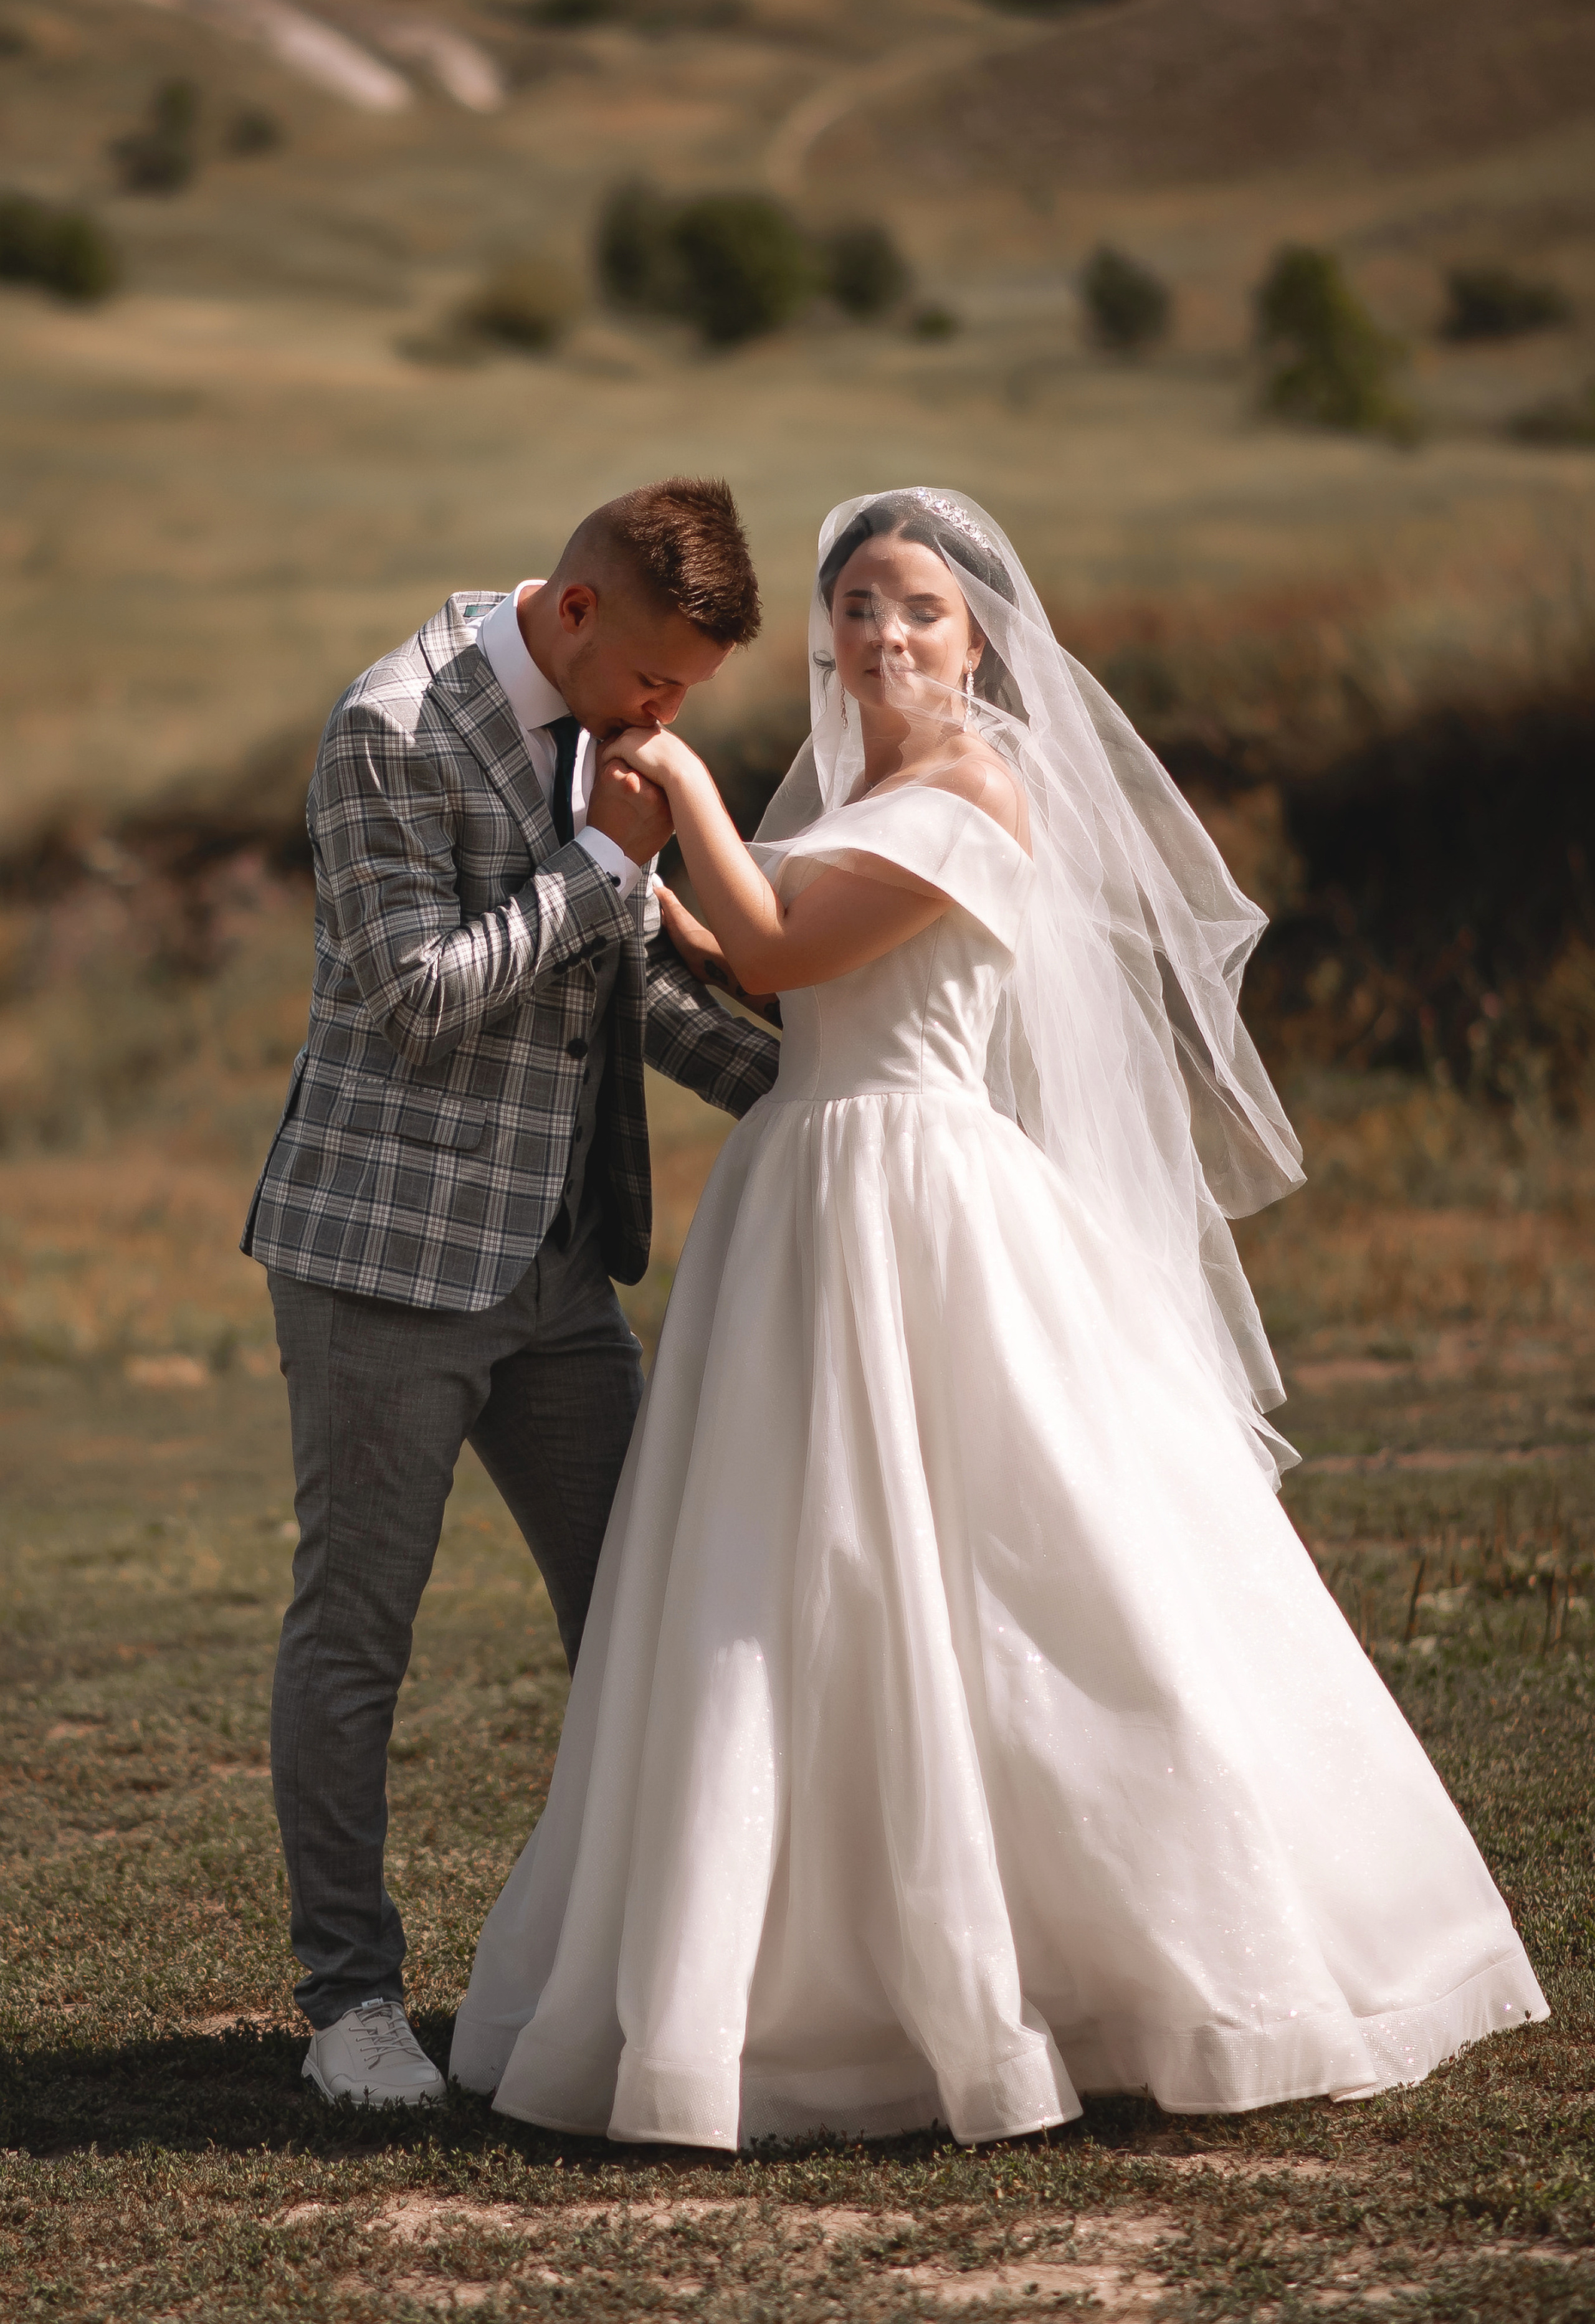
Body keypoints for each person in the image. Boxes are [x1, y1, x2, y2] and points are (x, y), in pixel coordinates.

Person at [449, 488, 1545, 2146]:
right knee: (793, 1579)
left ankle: (1127, 1953)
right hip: (802, 1195)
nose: (888, 636)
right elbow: (760, 951)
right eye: (861, 609)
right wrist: (656, 898)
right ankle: (800, 1972)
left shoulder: (977, 786)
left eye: (923, 609)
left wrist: (672, 794)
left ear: (980, 638)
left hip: (917, 1194)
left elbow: (784, 944)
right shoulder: (862, 793)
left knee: (1017, 1567)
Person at [240, 478, 780, 2107]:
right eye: (659, 684)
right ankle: (350, 2005)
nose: (671, 721)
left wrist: (817, 1099)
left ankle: (649, 1974)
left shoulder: (606, 729)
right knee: (359, 1639)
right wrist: (606, 865)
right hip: (382, 1268)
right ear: (573, 612)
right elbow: (412, 1000)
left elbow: (617, 996)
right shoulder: (389, 728)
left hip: (558, 1277)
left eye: (692, 694)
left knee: (644, 1615)